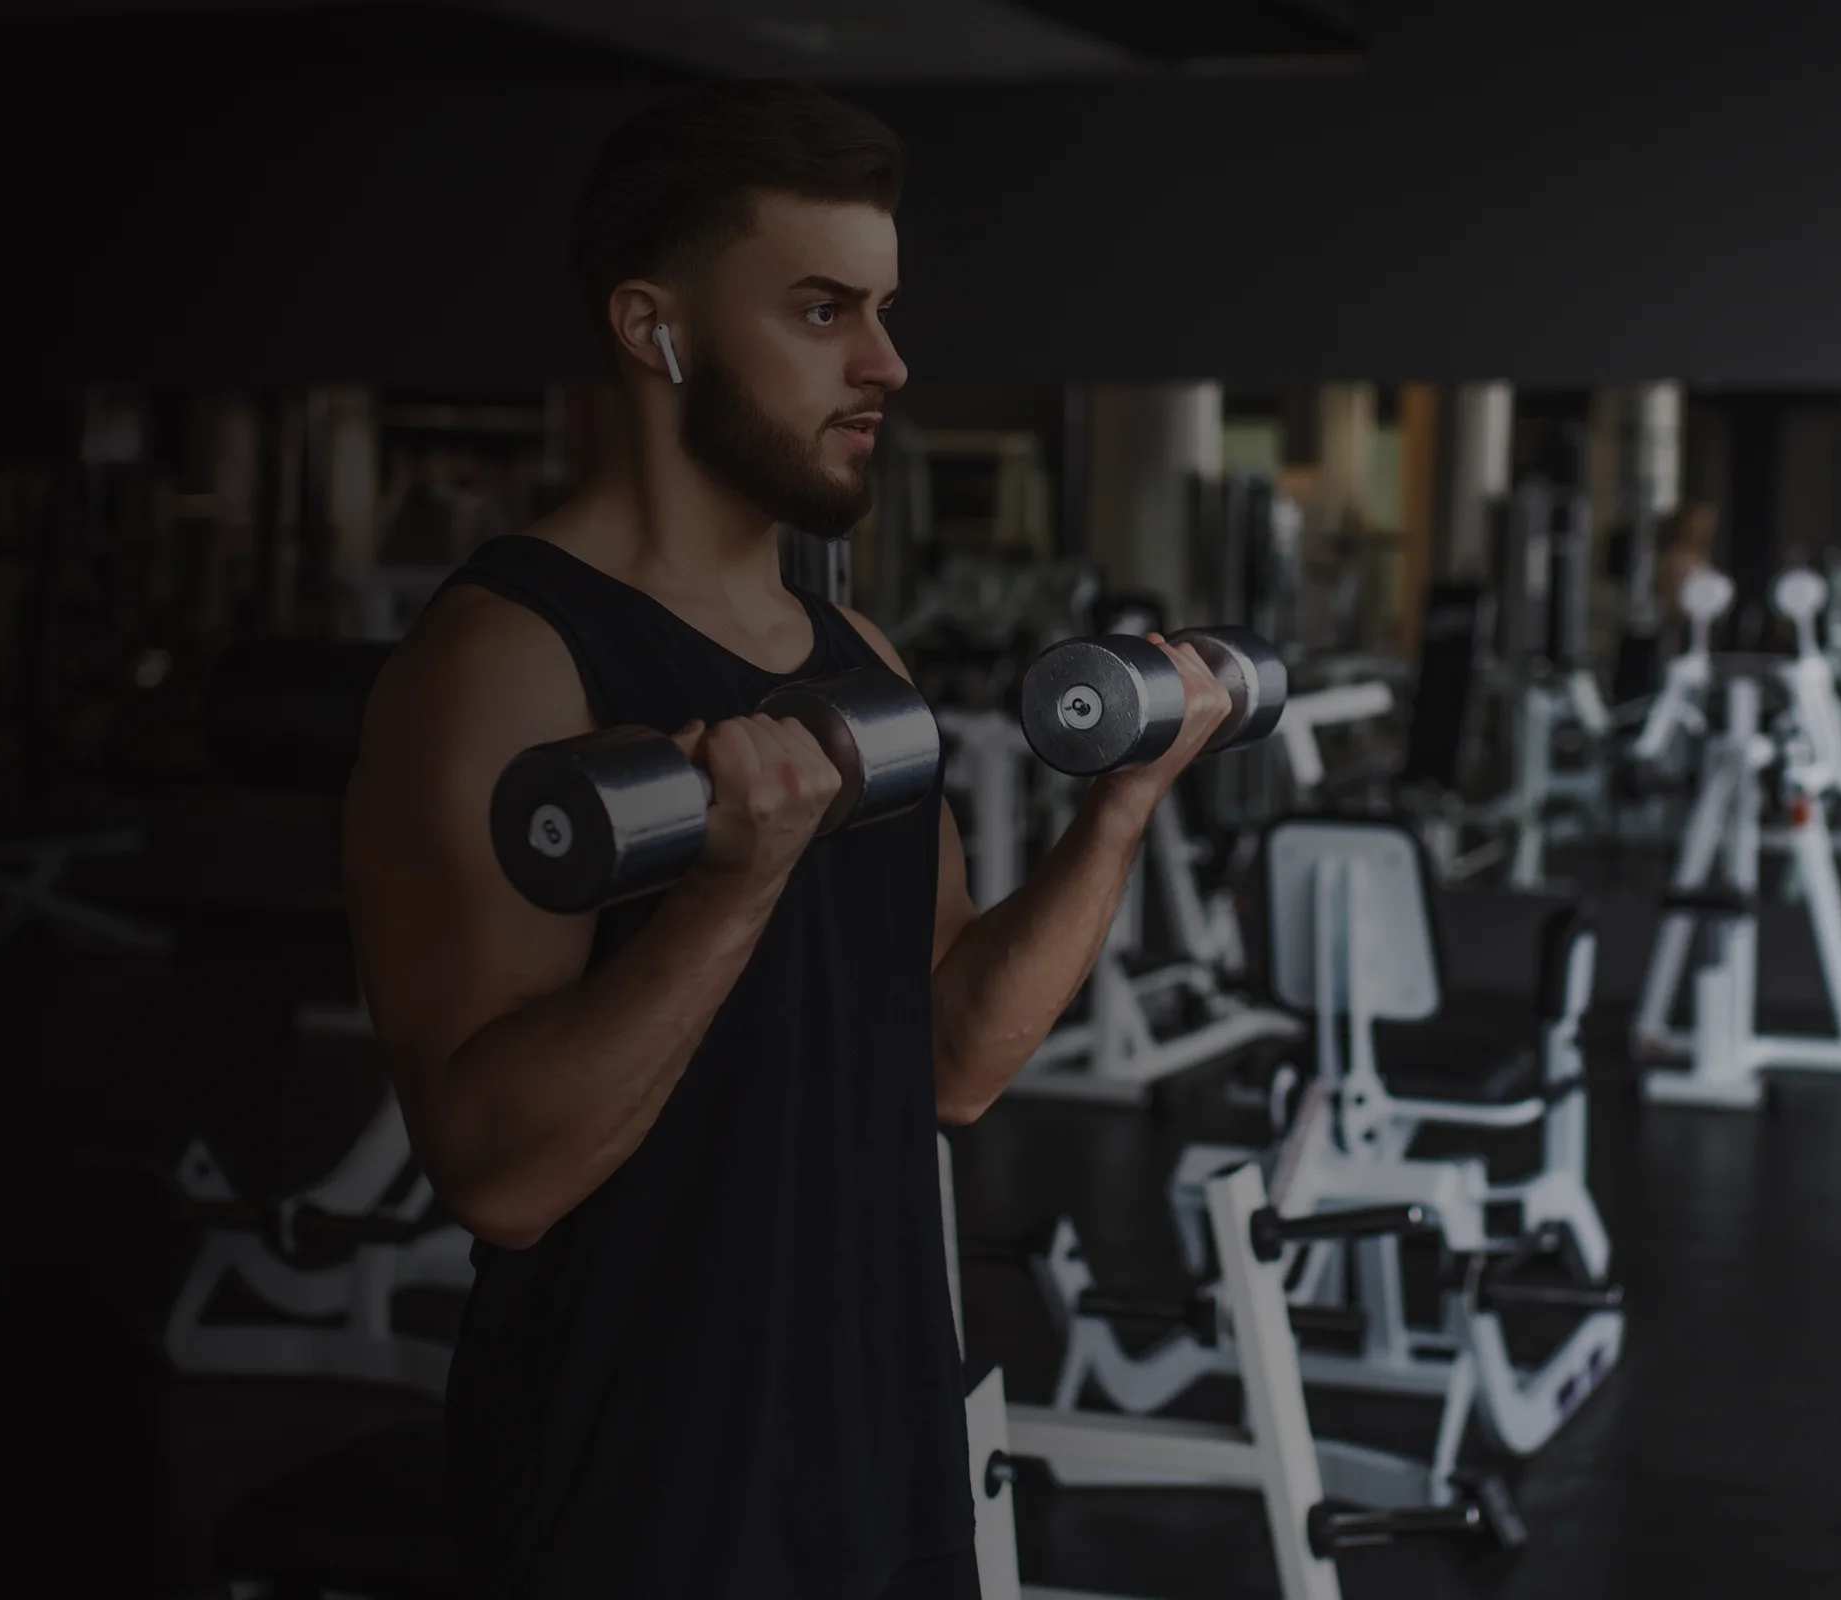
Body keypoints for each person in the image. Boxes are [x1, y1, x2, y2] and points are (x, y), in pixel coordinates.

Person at [336, 81, 1233, 1597]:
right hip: (646, 1491)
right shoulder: (508, 660)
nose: (886, 362)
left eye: (883, 308)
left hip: (875, 1449)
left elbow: (951, 1057)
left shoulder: (852, 650)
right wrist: (726, 894)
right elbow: (498, 1174)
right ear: (651, 328)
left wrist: (1120, 809)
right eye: (823, 310)